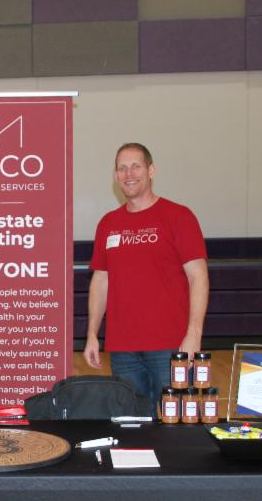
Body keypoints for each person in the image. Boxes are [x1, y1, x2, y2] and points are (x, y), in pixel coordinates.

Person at [83, 143, 208, 405]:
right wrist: (92, 334)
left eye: (136, 166)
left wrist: (194, 333)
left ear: (151, 171)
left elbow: (198, 277)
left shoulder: (178, 216)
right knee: (132, 424)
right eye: (122, 168)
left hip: (171, 346)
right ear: (115, 175)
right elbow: (101, 280)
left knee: (177, 425)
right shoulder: (108, 223)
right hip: (122, 350)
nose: (129, 174)